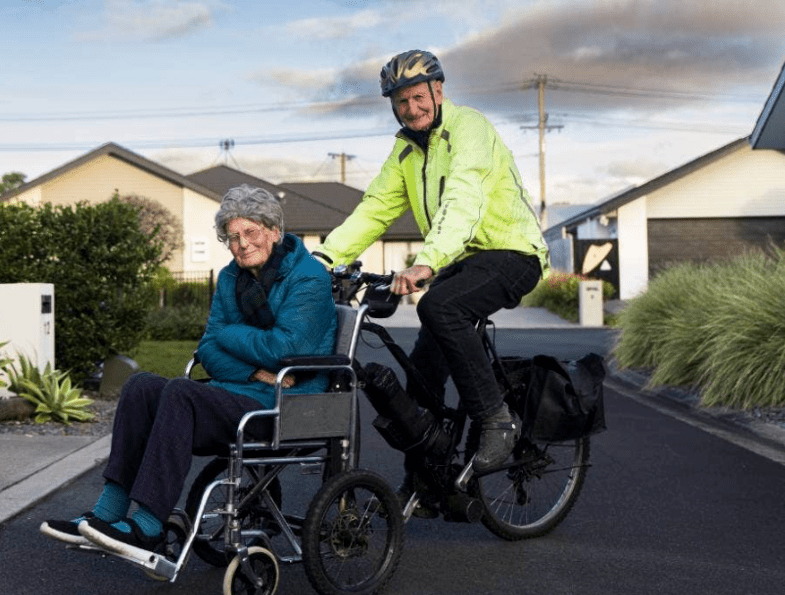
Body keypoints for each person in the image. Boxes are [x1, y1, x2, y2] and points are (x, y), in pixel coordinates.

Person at [41, 184, 337, 559]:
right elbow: (209, 349)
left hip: (285, 403)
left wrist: (230, 336)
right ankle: (105, 517)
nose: (242, 244)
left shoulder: (308, 278)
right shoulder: (232, 278)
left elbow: (286, 350)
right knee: (142, 386)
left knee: (181, 393)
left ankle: (147, 528)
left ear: (275, 232)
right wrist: (250, 369)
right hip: (239, 390)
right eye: (233, 236)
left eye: (251, 232)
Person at [314, 49, 549, 482]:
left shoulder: (468, 128)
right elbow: (376, 209)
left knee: (439, 307)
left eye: (418, 96)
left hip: (512, 252)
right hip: (459, 262)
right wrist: (324, 260)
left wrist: (426, 262)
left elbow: (464, 197)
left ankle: (497, 419)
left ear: (438, 91)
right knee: (421, 375)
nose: (411, 108)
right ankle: (424, 481)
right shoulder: (405, 150)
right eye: (401, 102)